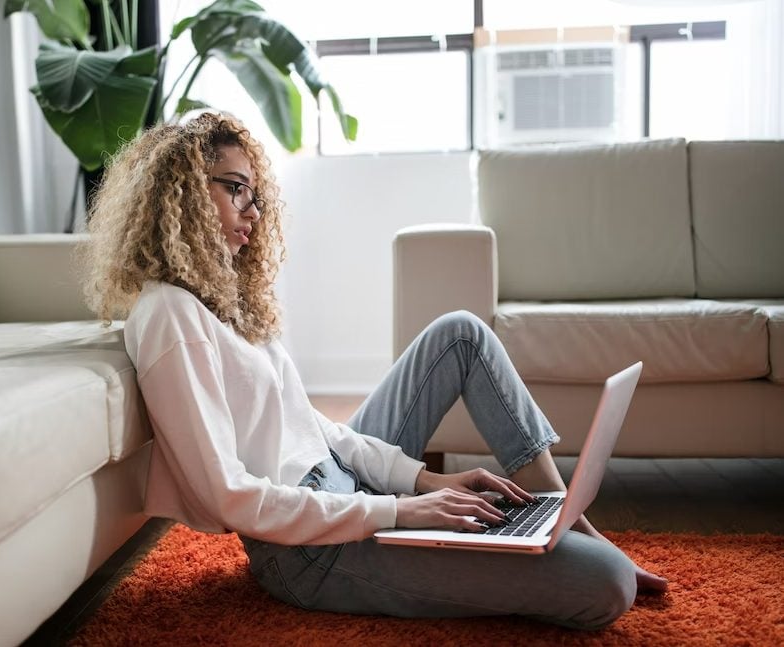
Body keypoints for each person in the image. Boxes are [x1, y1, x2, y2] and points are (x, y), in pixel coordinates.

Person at [81, 112, 667, 630]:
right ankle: (568, 543)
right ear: (181, 193)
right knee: (607, 583)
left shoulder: (221, 299)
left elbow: (313, 428)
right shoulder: (169, 314)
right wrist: (399, 511)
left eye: (255, 195)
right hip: (307, 551)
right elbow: (229, 496)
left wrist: (422, 482)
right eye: (236, 190)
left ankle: (561, 515)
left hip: (342, 486)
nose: (253, 213)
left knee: (459, 332)